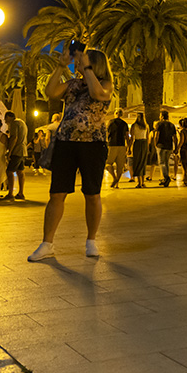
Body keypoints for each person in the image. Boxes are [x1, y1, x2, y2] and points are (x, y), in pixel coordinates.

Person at [28, 46, 113, 261]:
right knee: (56, 193)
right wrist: (60, 66)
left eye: (83, 60)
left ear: (94, 64)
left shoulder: (105, 84)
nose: (78, 63)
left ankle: (91, 241)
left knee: (92, 194)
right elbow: (50, 92)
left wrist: (86, 67)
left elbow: (96, 94)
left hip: (93, 144)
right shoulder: (72, 84)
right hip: (66, 143)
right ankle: (47, 244)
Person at [5, 110, 28, 199]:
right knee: (20, 171)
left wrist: (9, 152)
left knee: (9, 171)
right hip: (23, 150)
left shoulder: (14, 123)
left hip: (17, 151)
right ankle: (21, 193)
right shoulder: (22, 122)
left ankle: (10, 193)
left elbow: (14, 137)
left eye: (6, 120)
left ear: (8, 117)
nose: (6, 122)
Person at [105, 109, 129, 188]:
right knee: (120, 166)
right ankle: (117, 184)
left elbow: (107, 133)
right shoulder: (124, 124)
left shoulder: (111, 122)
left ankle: (114, 178)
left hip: (112, 145)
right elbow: (127, 136)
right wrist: (128, 147)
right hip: (122, 145)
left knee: (107, 164)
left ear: (115, 114)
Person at [154, 110, 177, 187]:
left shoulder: (159, 124)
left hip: (161, 145)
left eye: (160, 116)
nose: (159, 117)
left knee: (162, 162)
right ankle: (165, 178)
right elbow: (175, 137)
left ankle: (166, 177)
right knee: (166, 162)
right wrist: (176, 146)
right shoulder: (172, 125)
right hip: (169, 146)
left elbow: (157, 135)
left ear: (162, 116)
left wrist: (155, 144)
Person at [129, 113, 149, 188]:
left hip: (137, 143)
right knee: (142, 162)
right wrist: (147, 148)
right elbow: (147, 138)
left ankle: (140, 182)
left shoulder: (134, 125)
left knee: (138, 162)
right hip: (143, 143)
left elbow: (131, 138)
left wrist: (129, 147)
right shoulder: (146, 126)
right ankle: (142, 182)